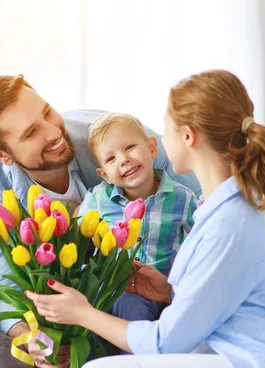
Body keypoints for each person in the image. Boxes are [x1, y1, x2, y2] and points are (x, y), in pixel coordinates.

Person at [25, 70, 265, 368]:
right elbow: (222, 299)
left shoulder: (230, 221)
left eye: (165, 128)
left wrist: (83, 313)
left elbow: (163, 344)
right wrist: (171, 292)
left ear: (187, 136)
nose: (161, 136)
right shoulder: (220, 209)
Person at [0, 75, 200, 368]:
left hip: (158, 288)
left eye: (47, 112)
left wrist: (175, 292)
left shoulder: (111, 140)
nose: (53, 132)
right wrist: (30, 337)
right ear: (0, 154)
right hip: (89, 306)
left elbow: (207, 199)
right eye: (32, 132)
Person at [78, 111, 197, 323]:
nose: (124, 160)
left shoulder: (182, 198)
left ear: (152, 148)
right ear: (104, 174)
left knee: (142, 309)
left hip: (160, 288)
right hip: (114, 286)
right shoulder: (98, 199)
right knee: (109, 306)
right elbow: (77, 230)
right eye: (111, 158)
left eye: (129, 147)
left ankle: (143, 352)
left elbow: (202, 240)